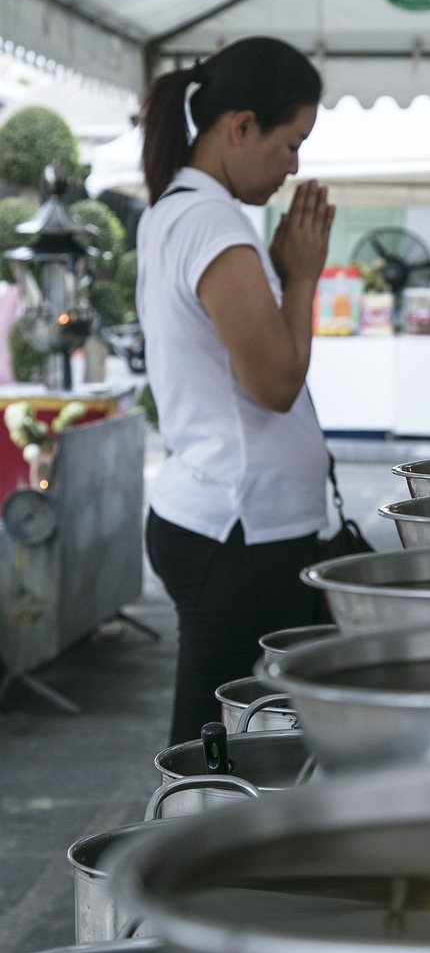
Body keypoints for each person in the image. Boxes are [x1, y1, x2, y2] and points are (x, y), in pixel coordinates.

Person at [136, 36, 335, 746]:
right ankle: (177, 848)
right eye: (290, 143)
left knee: (242, 728)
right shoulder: (210, 223)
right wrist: (303, 275)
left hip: (238, 522)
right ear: (240, 125)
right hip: (236, 528)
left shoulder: (181, 212)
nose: (294, 166)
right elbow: (275, 383)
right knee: (208, 742)